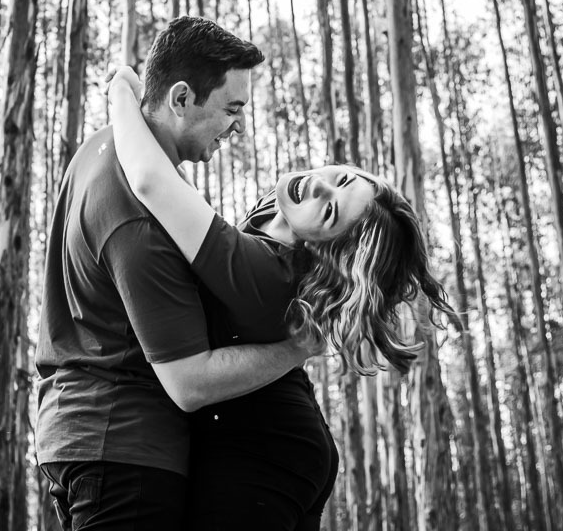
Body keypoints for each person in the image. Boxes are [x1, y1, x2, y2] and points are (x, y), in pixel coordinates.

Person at [107, 65, 454, 530]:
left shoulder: (267, 270)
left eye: (328, 211)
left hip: (264, 448)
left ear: (322, 252)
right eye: (342, 179)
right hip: (280, 444)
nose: (318, 186)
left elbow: (151, 182)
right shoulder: (268, 227)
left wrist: (122, 90)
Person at [35, 17, 323, 531]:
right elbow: (189, 384)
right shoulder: (141, 218)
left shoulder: (102, 144)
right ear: (183, 98)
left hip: (81, 435)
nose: (239, 127)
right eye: (232, 109)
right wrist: (296, 348)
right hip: (125, 449)